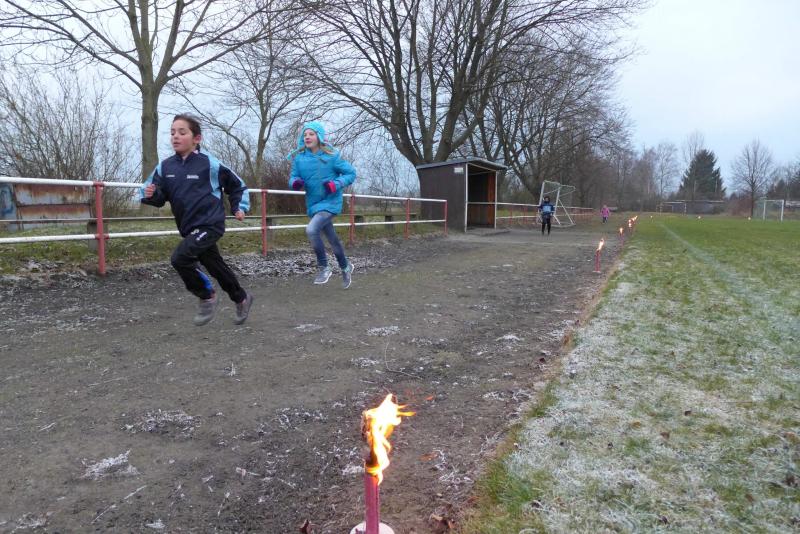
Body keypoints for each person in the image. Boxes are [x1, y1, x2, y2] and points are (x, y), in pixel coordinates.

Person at [140, 114, 254, 326]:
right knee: (215, 266)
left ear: (197, 139)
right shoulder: (165, 167)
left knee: (180, 258)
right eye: (172, 132)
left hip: (210, 224)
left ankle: (206, 297)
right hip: (188, 228)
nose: (175, 136)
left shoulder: (210, 164)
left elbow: (237, 186)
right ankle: (242, 298)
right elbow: (157, 195)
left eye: (182, 132)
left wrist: (239, 207)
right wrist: (151, 194)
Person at [287, 121, 356, 289]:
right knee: (332, 239)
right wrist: (295, 183)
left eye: (311, 134)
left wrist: (336, 184)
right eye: (305, 135)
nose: (307, 137)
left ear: (319, 136)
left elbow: (351, 173)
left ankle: (324, 267)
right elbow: (293, 177)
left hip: (331, 202)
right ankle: (346, 267)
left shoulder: (332, 156)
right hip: (313, 203)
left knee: (311, 230)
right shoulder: (299, 159)